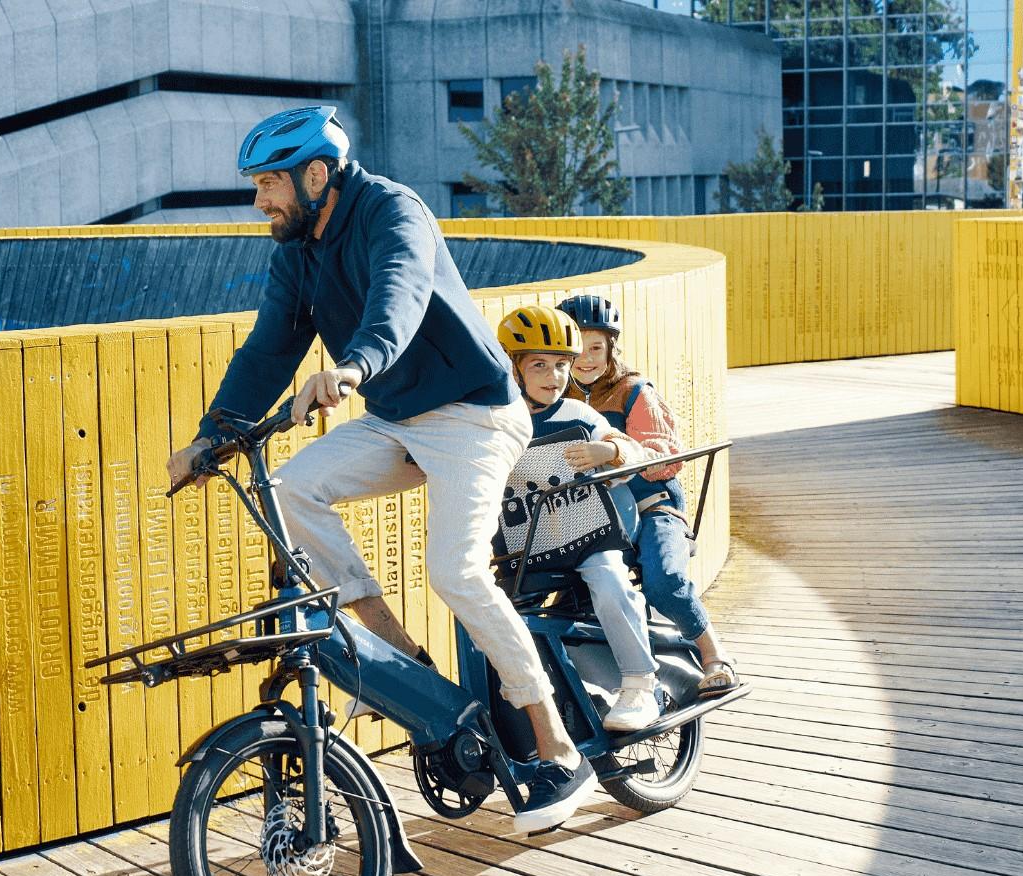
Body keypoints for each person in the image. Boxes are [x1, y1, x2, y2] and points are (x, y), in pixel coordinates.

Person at [166, 106, 596, 834]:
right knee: (295, 487)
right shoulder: (295, 249)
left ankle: (555, 742)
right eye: (257, 185)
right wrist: (211, 438)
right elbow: (268, 352)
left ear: (317, 175)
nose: (259, 200)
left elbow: (399, 294)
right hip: (399, 417)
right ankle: (393, 645)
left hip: (473, 413)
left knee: (457, 572)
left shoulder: (395, 210)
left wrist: (352, 366)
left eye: (269, 183)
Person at [558, 294, 739, 696]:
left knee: (663, 580)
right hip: (596, 515)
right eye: (577, 348)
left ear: (611, 349)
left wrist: (616, 457)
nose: (585, 359)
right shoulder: (556, 396)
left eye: (596, 348)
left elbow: (667, 457)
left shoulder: (632, 391)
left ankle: (714, 655)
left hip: (652, 506)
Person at [495, 305, 662, 731]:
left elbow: (637, 452)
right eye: (539, 365)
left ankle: (640, 685)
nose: (553, 377)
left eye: (561, 366)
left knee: (609, 579)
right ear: (513, 369)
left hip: (587, 536)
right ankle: (517, 705)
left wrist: (612, 452)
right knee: (492, 611)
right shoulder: (495, 423)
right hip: (529, 547)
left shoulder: (579, 415)